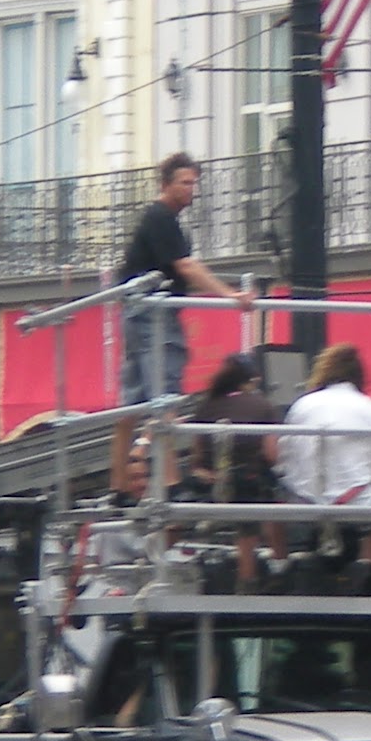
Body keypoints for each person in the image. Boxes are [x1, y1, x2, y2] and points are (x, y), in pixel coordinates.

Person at [111, 152, 253, 498]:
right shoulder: (161, 218)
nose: (191, 190)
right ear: (166, 184)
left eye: (194, 183)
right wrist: (231, 295)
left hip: (138, 313)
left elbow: (183, 271)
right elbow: (187, 268)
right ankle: (173, 483)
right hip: (153, 314)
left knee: (134, 403)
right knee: (166, 395)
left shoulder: (162, 220)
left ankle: (119, 485)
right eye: (184, 183)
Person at [279, 343, 371, 590]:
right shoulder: (370, 408)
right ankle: (365, 562)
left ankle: (282, 561)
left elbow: (285, 458)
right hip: (356, 501)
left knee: (275, 503)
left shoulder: (302, 404)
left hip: (304, 501)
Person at [190, 353, 287, 590]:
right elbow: (272, 455)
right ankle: (275, 567)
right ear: (249, 381)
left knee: (245, 495)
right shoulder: (262, 405)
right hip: (247, 483)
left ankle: (246, 577)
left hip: (210, 483)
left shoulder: (205, 406)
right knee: (271, 500)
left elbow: (197, 458)